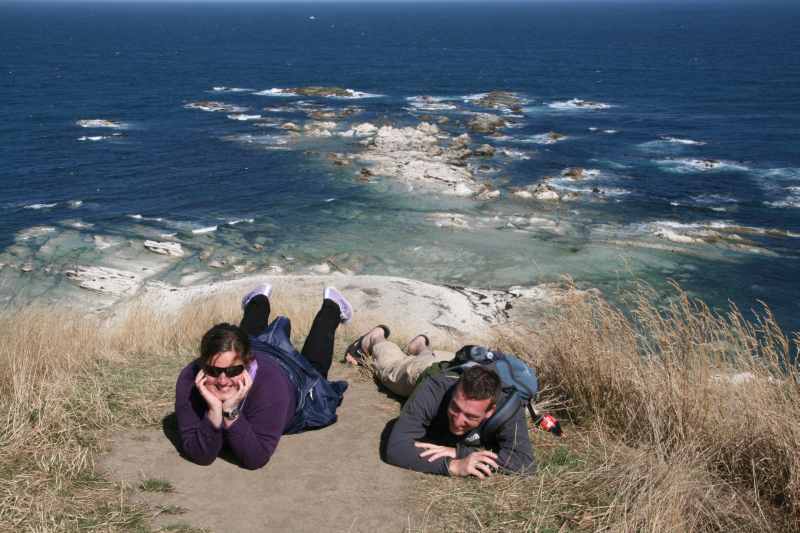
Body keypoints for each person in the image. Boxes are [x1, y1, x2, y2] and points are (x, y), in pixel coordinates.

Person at [175, 284, 352, 470]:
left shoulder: (272, 387)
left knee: (315, 368)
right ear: (202, 365)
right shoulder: (189, 379)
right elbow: (201, 455)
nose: (222, 380)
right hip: (256, 350)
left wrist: (231, 411)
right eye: (213, 370)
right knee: (243, 338)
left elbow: (255, 458)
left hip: (292, 377)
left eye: (233, 371)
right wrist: (214, 411)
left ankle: (332, 305)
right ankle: (258, 299)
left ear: (246, 364)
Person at [346, 327, 535, 478]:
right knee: (391, 370)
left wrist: (459, 452)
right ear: (455, 391)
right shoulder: (434, 389)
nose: (458, 420)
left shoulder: (507, 407)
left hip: (452, 363)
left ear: (489, 411)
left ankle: (420, 346)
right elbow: (396, 448)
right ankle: (375, 338)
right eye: (455, 407)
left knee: (432, 358)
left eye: (470, 416)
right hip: (425, 371)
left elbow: (524, 462)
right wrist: (454, 466)